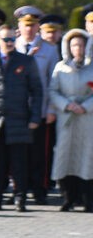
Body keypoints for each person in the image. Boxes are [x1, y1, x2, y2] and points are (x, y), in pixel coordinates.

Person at [0, 24, 43, 211]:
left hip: (19, 119)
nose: (10, 42)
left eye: (13, 39)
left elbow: (37, 91)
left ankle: (20, 198)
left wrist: (35, 117)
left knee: (19, 162)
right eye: (6, 39)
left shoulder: (26, 62)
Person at [14, 5, 60, 204]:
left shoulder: (49, 50)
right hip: (15, 110)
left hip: (39, 110)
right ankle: (19, 190)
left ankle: (39, 190)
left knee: (39, 152)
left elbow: (53, 82)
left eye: (33, 25)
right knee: (17, 153)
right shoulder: (11, 45)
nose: (29, 29)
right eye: (26, 25)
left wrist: (51, 109)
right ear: (19, 26)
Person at [48, 29, 93, 211]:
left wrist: (86, 106)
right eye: (74, 45)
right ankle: (68, 197)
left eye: (81, 45)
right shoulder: (60, 67)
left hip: (87, 118)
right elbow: (53, 90)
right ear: (68, 46)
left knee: (86, 156)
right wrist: (67, 105)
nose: (78, 48)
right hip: (66, 117)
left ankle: (88, 199)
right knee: (65, 155)